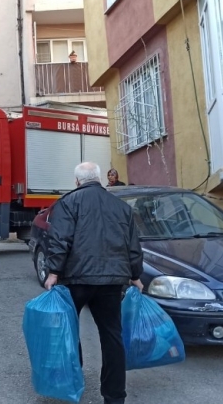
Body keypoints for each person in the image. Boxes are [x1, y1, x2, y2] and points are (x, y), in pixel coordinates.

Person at [44, 162, 144, 404]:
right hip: (112, 282)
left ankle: (70, 388)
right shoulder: (121, 207)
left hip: (76, 280)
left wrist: (53, 272)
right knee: (112, 336)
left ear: (77, 181)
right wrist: (136, 275)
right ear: (99, 179)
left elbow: (60, 240)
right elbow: (133, 246)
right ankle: (114, 396)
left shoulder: (68, 203)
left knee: (69, 332)